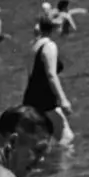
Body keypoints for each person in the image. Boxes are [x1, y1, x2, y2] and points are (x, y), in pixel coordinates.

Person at [23, 13, 74, 144]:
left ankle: (47, 163)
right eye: (59, 27)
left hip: (31, 98)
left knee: (40, 140)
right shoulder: (49, 46)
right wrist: (63, 100)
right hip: (45, 100)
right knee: (66, 138)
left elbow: (30, 74)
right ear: (54, 29)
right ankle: (62, 164)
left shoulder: (33, 45)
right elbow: (51, 75)